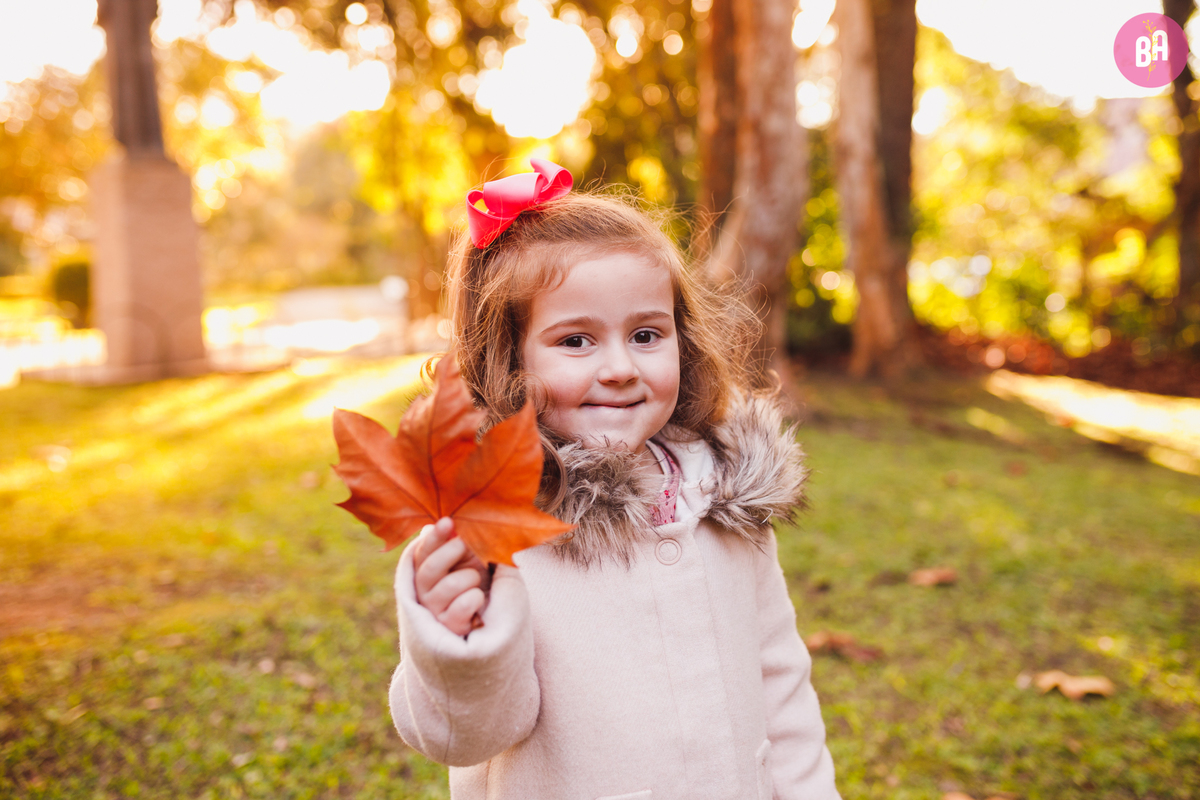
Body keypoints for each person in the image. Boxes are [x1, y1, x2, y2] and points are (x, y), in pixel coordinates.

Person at [389, 159, 840, 800]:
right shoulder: (492, 526)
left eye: (647, 334)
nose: (621, 367)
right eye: (576, 341)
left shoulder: (723, 497)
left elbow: (780, 680)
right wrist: (456, 641)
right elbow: (464, 737)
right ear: (507, 359)